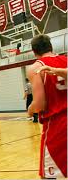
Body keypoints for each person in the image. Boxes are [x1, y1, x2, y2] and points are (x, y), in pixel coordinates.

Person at [27, 34, 67, 178]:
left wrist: (30, 110)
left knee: (48, 174)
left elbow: (39, 104)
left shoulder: (36, 67)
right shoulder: (66, 60)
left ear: (34, 51)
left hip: (57, 124)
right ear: (51, 47)